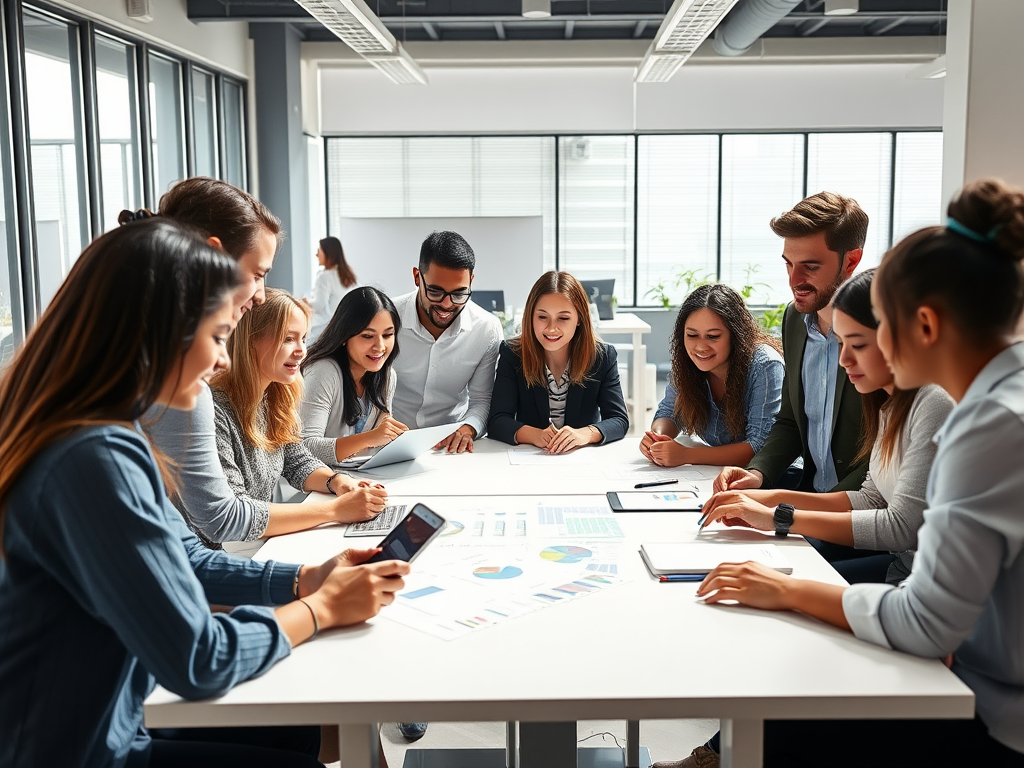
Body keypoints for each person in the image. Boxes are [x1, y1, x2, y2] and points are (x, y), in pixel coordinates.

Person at [0, 219, 409, 768]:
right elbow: (198, 657)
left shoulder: (97, 433)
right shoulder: (93, 457)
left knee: (311, 732)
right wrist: (321, 608)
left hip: (107, 722)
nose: (221, 359)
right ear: (156, 332)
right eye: (218, 337)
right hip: (82, 749)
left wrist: (300, 579)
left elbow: (181, 559)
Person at [685, 178, 1024, 767]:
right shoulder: (1001, 396)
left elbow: (924, 622)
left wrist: (789, 590)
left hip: (995, 715)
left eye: (875, 330)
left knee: (788, 711)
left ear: (923, 324)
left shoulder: (982, 425)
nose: (855, 356)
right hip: (982, 673)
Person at [136, 178, 367, 545]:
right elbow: (219, 521)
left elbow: (294, 458)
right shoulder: (181, 387)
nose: (259, 295)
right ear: (213, 260)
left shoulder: (267, 396)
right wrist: (333, 512)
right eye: (258, 274)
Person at [700, 270, 954, 584]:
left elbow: (900, 528)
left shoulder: (933, 403)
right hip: (905, 568)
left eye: (857, 345)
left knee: (780, 587)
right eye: (841, 343)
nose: (844, 360)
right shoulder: (888, 403)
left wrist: (778, 517)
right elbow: (870, 499)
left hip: (928, 582)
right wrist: (763, 499)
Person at [714, 191, 868, 497]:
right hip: (808, 499)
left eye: (810, 267)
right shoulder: (795, 320)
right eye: (788, 264)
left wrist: (793, 509)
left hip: (860, 516)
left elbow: (888, 452)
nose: (793, 280)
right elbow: (791, 421)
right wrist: (757, 474)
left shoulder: (882, 331)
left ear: (850, 261)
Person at [211, 289, 388, 526]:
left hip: (250, 540)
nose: (301, 351)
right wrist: (335, 511)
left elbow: (296, 461)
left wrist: (337, 481)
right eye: (288, 339)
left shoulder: (274, 397)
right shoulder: (215, 412)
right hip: (216, 550)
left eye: (303, 338)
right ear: (250, 341)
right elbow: (232, 517)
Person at [640, 284, 784, 468]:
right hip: (713, 474)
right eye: (692, 335)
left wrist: (686, 454)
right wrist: (657, 438)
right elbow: (670, 413)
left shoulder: (765, 365)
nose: (700, 347)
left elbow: (759, 447)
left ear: (736, 335)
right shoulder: (686, 362)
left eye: (713, 336)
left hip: (768, 477)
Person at [390, 230, 503, 454]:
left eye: (460, 293)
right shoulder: (387, 318)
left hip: (450, 447)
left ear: (471, 281)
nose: (447, 304)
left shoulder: (486, 329)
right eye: (435, 291)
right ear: (416, 277)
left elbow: (482, 399)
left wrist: (469, 428)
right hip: (389, 443)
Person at [488, 271, 629, 450]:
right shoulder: (513, 354)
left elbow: (619, 420)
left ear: (579, 319)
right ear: (530, 317)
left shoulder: (602, 356)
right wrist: (536, 435)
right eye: (542, 317)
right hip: (531, 456)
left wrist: (584, 434)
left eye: (563, 318)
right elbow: (497, 421)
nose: (551, 328)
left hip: (582, 457)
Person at [299, 286, 408, 466]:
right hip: (314, 485)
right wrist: (370, 438)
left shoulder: (387, 376)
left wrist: (390, 435)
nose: (380, 346)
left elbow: (376, 444)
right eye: (367, 336)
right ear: (344, 336)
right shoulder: (323, 372)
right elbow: (305, 447)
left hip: (357, 477)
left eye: (388, 334)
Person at [307, 236, 357, 343]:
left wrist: (305, 303)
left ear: (328, 253)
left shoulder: (324, 276)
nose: (316, 255)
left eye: (319, 251)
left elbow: (319, 305)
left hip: (328, 328)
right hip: (346, 327)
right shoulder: (348, 276)